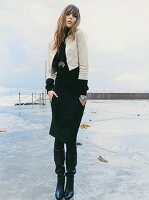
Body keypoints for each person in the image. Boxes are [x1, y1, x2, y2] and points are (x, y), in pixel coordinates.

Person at [45, 4, 89, 200]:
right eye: (68, 14)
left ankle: (70, 180)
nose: (70, 17)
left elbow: (84, 65)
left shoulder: (79, 36)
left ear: (77, 19)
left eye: (74, 15)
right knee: (57, 137)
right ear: (63, 16)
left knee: (70, 138)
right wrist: (49, 89)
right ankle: (60, 179)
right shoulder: (54, 39)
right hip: (59, 93)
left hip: (74, 93)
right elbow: (50, 68)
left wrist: (83, 94)